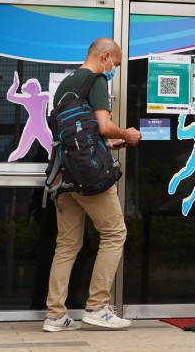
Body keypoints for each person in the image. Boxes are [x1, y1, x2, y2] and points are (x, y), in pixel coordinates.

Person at [43, 38, 142, 332]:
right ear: (106, 57)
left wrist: (106, 142)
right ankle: (97, 307)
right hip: (89, 175)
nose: (114, 70)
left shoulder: (66, 83)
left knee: (67, 245)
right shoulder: (96, 80)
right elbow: (103, 126)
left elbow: (78, 131)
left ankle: (55, 315)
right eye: (116, 64)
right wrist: (128, 134)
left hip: (64, 173)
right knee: (114, 233)